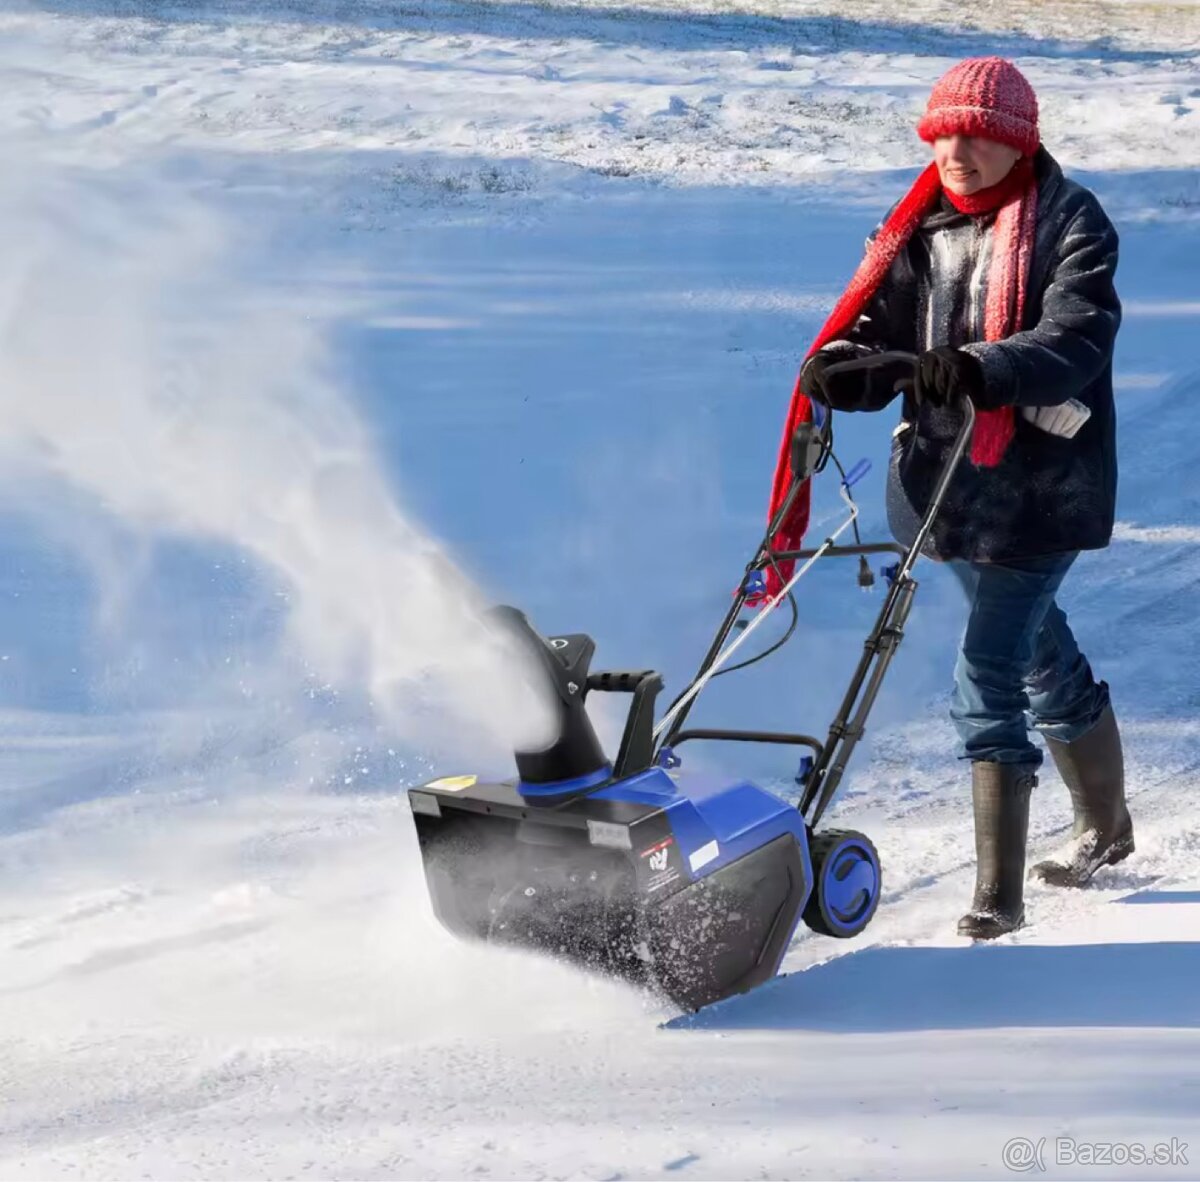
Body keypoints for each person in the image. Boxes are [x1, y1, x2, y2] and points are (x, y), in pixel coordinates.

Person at [783, 57, 1133, 938]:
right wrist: (848, 366)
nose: (957, 151)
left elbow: (1075, 338)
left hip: (1040, 490)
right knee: (1035, 650)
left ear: (1018, 141)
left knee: (987, 673)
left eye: (977, 135)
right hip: (946, 491)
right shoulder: (921, 229)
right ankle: (1108, 824)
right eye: (943, 133)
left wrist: (981, 367)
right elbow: (882, 323)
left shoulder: (1071, 221)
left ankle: (998, 899)